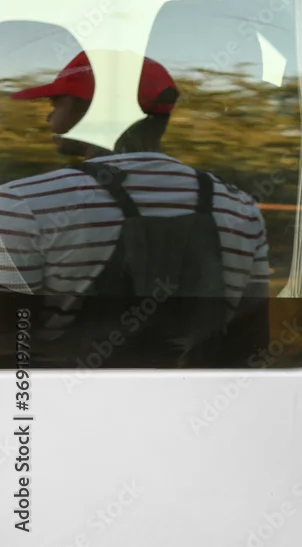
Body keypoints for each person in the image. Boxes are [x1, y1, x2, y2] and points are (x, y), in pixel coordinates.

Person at [0, 51, 270, 367]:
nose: (49, 117)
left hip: (65, 397)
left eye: (56, 103)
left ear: (90, 111)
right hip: (198, 394)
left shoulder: (22, 203)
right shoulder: (239, 207)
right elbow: (250, 341)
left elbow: (8, 346)